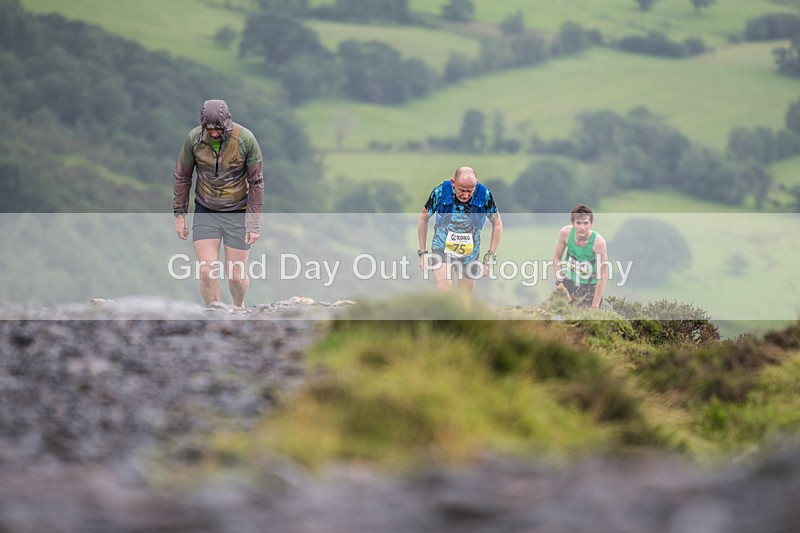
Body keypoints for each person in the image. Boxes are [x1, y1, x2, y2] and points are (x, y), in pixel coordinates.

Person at [173, 99, 264, 309]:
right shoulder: (194, 139)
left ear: (227, 124)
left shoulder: (246, 140)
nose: (214, 133)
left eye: (219, 129)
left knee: (236, 277)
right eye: (209, 129)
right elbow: (182, 176)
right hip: (206, 210)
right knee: (206, 272)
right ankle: (217, 316)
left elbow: (256, 182)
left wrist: (253, 223)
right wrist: (180, 214)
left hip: (238, 212)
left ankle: (238, 306)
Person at [417, 166, 503, 293]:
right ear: (453, 183)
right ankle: (443, 313)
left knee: (465, 297)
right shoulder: (440, 193)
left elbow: (497, 223)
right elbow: (423, 219)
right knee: (444, 287)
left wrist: (490, 256)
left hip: (470, 253)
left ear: (476, 184)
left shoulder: (484, 195)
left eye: (470, 191)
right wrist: (423, 253)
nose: (465, 195)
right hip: (441, 247)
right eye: (461, 190)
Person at [552, 204, 608, 309]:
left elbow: (603, 275)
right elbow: (557, 258)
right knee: (558, 313)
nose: (582, 227)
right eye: (578, 223)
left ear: (591, 223)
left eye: (586, 223)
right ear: (572, 223)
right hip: (569, 281)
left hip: (590, 287)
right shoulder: (565, 233)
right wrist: (559, 283)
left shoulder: (599, 243)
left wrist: (595, 306)